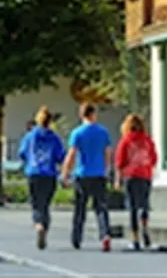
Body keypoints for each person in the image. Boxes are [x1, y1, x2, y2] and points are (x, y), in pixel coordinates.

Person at [61, 103, 113, 252]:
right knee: (101, 207)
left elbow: (72, 154)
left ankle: (77, 238)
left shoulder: (77, 133)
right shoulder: (103, 132)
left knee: (80, 208)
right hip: (98, 174)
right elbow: (108, 152)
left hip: (82, 174)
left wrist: (65, 173)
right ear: (93, 114)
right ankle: (105, 234)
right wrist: (107, 169)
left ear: (82, 115)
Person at [18, 106, 66, 250]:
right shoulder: (54, 137)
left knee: (36, 203)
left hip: (33, 173)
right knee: (46, 204)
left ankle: (38, 224)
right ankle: (44, 226)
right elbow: (60, 156)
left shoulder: (30, 136)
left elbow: (22, 153)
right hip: (49, 174)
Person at [114, 113, 157, 250]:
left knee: (132, 207)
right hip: (145, 175)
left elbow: (120, 162)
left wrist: (118, 179)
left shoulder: (125, 141)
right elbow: (154, 159)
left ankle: (135, 237)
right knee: (144, 203)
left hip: (131, 176)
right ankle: (145, 226)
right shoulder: (147, 140)